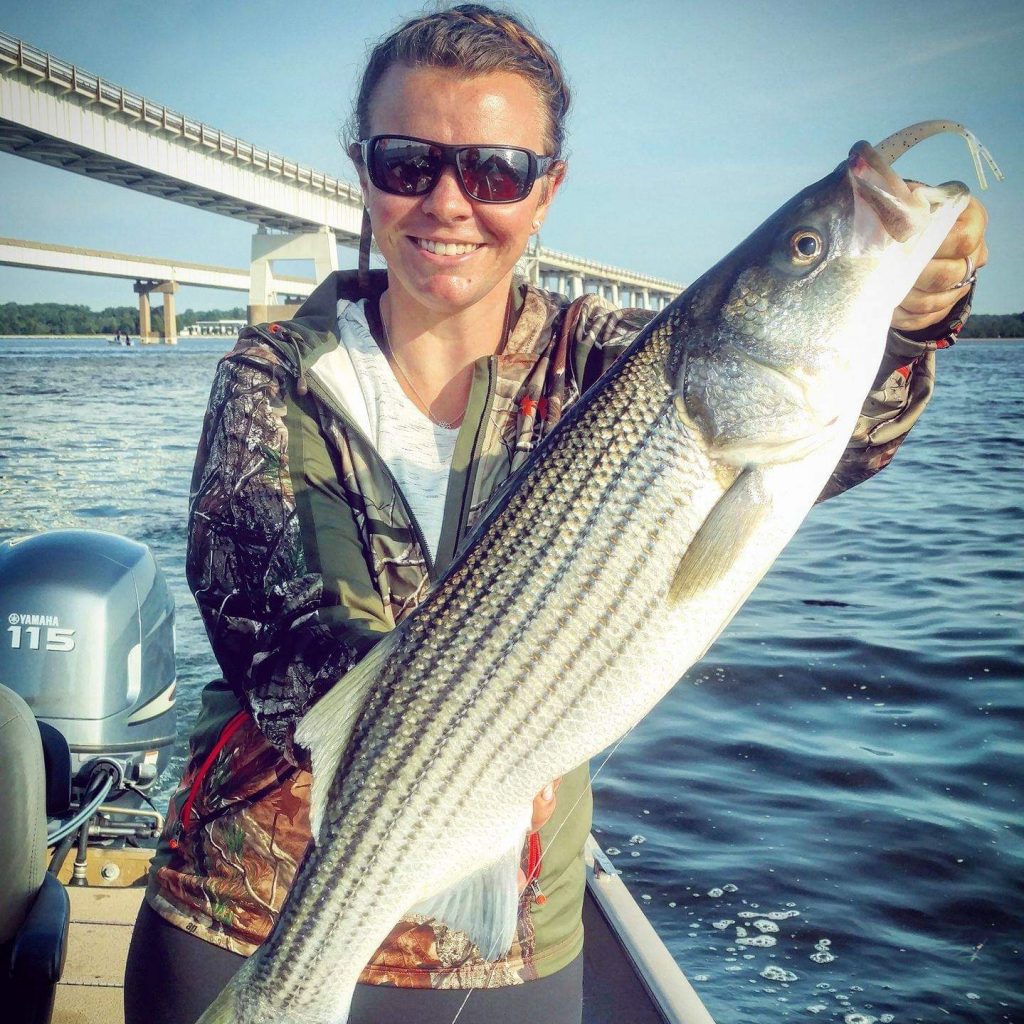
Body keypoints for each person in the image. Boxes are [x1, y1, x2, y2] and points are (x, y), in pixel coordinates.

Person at [123, 5, 989, 1023]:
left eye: (494, 169)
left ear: (547, 192)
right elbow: (267, 634)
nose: (449, 201)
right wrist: (461, 719)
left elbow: (848, 443)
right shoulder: (272, 370)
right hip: (246, 912)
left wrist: (909, 325)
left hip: (503, 939)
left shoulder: (621, 364)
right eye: (408, 162)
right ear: (362, 171)